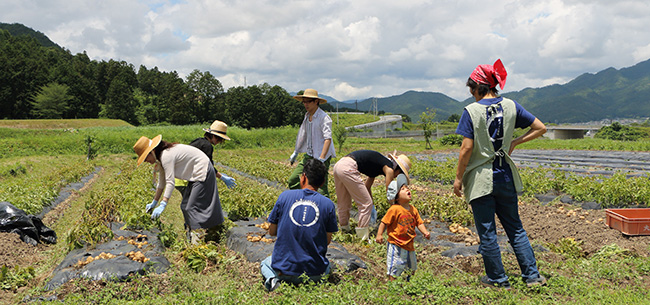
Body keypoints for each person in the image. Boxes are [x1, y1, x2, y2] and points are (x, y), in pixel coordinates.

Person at [452, 59, 548, 289]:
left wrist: (457, 178)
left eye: (471, 90)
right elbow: (540, 127)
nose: (472, 95)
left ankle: (498, 278)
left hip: (482, 179)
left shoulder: (472, 111)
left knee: (487, 231)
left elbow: (466, 148)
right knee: (515, 227)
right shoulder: (511, 106)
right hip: (505, 175)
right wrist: (514, 141)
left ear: (478, 87)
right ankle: (532, 276)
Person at [260, 159, 338, 292]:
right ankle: (317, 284)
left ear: (303, 177)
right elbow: (327, 240)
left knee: (265, 263)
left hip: (283, 271)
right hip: (314, 274)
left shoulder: (284, 196)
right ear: (323, 182)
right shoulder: (328, 204)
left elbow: (272, 232)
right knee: (329, 266)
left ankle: (273, 280)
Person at [134, 135, 225, 244]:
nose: (146, 161)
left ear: (152, 151)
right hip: (195, 174)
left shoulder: (166, 155)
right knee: (184, 206)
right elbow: (161, 183)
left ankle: (197, 241)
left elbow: (170, 182)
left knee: (192, 207)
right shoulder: (161, 158)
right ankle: (190, 234)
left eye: (145, 158)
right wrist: (154, 202)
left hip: (203, 171)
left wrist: (163, 203)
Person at [332, 149, 411, 241]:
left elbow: (367, 187)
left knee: (343, 201)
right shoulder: (389, 170)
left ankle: (345, 230)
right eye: (398, 175)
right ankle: (363, 238)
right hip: (348, 168)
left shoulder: (378, 165)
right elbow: (390, 195)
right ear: (398, 170)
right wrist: (396, 210)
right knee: (365, 204)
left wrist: (372, 206)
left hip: (339, 165)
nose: (396, 177)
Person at [376, 173, 430, 281]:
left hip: (409, 243)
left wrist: (425, 232)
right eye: (403, 189)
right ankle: (393, 284)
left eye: (407, 188)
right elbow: (384, 222)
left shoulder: (413, 209)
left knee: (412, 266)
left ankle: (409, 283)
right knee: (396, 265)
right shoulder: (394, 209)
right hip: (396, 243)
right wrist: (379, 234)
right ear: (396, 196)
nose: (407, 190)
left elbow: (419, 222)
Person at [288, 89, 336, 197]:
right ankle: (304, 199)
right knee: (293, 180)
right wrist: (296, 152)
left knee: (321, 187)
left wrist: (322, 159)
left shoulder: (324, 118)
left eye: (308, 101)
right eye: (304, 102)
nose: (305, 104)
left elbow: (328, 139)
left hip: (321, 155)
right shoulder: (307, 116)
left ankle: (325, 210)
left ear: (316, 102)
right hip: (309, 154)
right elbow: (303, 135)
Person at [175, 120, 236, 195]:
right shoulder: (207, 146)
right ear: (213, 136)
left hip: (180, 176)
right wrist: (222, 177)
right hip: (184, 179)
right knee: (193, 203)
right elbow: (208, 166)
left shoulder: (199, 141)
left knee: (190, 202)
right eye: (219, 139)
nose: (219, 141)